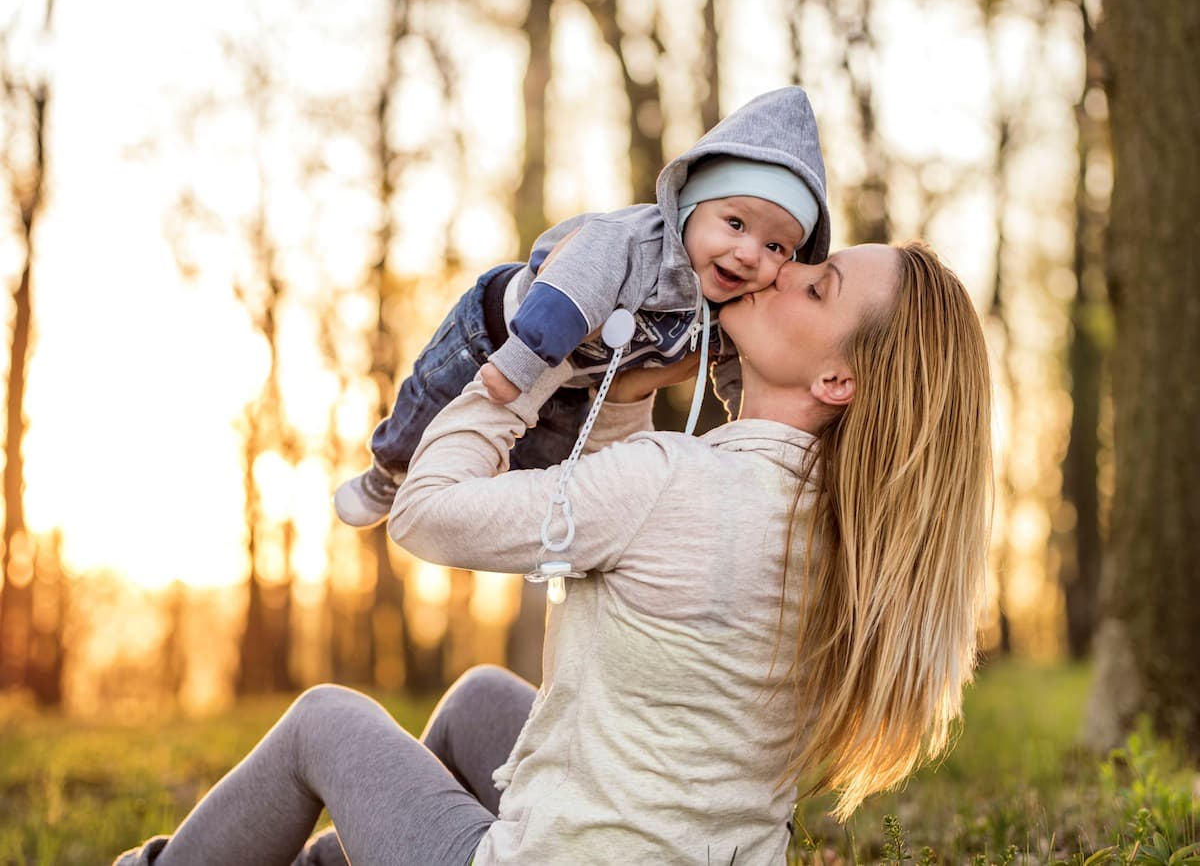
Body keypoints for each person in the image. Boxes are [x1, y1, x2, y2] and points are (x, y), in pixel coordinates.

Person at [115, 240, 992, 865]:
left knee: (323, 721)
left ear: (837, 380)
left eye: (817, 286)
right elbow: (642, 533)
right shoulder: (835, 526)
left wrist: (516, 368)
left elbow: (425, 510)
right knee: (479, 705)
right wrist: (626, 393)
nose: (783, 265)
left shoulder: (671, 482)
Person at [334, 85, 831, 528]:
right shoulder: (633, 244)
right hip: (500, 334)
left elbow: (738, 369)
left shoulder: (733, 302)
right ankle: (387, 471)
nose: (749, 255)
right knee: (430, 406)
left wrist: (750, 436)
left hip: (576, 383)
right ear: (690, 205)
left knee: (537, 467)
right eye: (736, 224)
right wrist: (520, 364)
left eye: (776, 248)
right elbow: (570, 291)